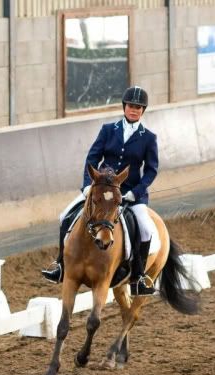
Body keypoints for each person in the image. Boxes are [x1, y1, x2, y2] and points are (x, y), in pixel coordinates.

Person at [41, 85, 159, 296]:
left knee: (146, 229)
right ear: (124, 107)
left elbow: (151, 170)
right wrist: (88, 184)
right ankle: (61, 265)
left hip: (130, 192)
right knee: (64, 216)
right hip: (100, 190)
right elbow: (92, 158)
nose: (134, 110)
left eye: (139, 108)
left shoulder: (148, 138)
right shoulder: (108, 130)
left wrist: (136, 192)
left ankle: (138, 277)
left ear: (143, 111)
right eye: (131, 106)